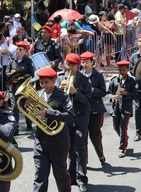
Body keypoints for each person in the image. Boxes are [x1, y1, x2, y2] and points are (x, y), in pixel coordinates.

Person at [32, 67, 73, 192]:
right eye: (41, 82)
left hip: (58, 143)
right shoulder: (37, 96)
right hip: (40, 142)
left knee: (60, 175)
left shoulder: (63, 96)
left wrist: (48, 113)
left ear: (54, 80)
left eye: (46, 82)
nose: (43, 85)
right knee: (40, 177)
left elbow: (70, 116)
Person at [59, 53, 91, 192]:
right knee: (69, 148)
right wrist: (59, 90)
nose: (69, 67)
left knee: (79, 150)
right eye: (68, 64)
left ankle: (82, 179)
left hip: (80, 118)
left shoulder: (84, 79)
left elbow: (87, 99)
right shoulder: (61, 77)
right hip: (67, 119)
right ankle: (71, 176)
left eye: (72, 65)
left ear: (77, 66)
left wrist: (75, 92)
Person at [80, 52, 107, 164]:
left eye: (87, 62)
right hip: (82, 111)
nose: (84, 64)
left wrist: (93, 90)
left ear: (92, 62)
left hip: (96, 110)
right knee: (82, 137)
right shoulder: (79, 75)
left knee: (95, 136)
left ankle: (100, 155)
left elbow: (103, 92)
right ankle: (84, 161)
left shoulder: (98, 75)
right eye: (83, 62)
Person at [108, 60, 137, 158]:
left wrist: (126, 93)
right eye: (120, 70)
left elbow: (135, 95)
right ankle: (124, 138)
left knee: (123, 128)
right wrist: (112, 97)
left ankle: (122, 148)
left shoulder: (132, 81)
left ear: (128, 70)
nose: (122, 72)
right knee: (116, 127)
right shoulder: (114, 80)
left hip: (126, 108)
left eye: (124, 70)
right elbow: (109, 93)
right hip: (116, 108)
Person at [6, 41, 34, 133]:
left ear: (25, 51)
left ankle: (29, 124)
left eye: (20, 49)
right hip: (14, 87)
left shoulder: (28, 61)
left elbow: (31, 74)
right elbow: (6, 72)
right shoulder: (11, 60)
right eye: (17, 49)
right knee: (15, 107)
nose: (18, 51)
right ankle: (16, 127)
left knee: (26, 105)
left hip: (24, 86)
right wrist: (11, 77)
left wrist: (22, 77)